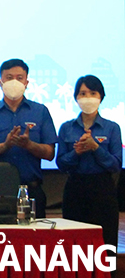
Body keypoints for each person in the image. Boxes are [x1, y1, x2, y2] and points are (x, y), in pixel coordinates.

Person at [0, 59, 57, 218]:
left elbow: (50, 153)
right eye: (9, 78)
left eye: (19, 78)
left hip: (32, 190)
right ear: (0, 82)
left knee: (33, 241)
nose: (14, 82)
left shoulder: (40, 111)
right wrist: (5, 145)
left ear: (26, 82)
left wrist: (29, 145)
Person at [56, 75, 121, 250]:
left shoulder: (112, 128)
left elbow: (115, 164)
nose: (88, 98)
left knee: (105, 242)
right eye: (83, 93)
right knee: (74, 242)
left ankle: (108, 275)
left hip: (103, 189)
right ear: (76, 98)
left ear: (101, 97)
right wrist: (76, 152)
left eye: (93, 93)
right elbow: (61, 163)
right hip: (75, 188)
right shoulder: (66, 128)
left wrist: (95, 147)